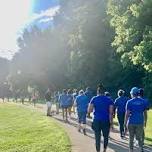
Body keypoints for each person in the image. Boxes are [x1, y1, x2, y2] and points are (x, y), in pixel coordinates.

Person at [88, 86, 114, 152]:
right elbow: (111, 113)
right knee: (106, 137)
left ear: (97, 92)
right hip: (105, 120)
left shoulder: (94, 98)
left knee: (97, 137)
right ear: (104, 92)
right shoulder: (109, 100)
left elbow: (89, 110)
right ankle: (104, 150)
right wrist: (111, 123)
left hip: (96, 120)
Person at [124, 87, 148, 152]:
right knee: (139, 137)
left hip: (131, 122)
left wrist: (125, 123)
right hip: (140, 122)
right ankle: (140, 149)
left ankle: (131, 150)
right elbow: (145, 113)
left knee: (131, 138)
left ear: (132, 94)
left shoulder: (129, 102)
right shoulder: (143, 101)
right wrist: (145, 121)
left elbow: (127, 114)